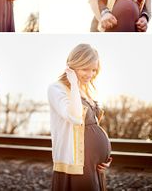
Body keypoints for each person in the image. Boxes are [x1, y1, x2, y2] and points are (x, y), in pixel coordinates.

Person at [48, 43, 112, 191]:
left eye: (93, 70)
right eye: (85, 69)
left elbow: (94, 127)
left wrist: (104, 158)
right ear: (71, 66)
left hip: (94, 166)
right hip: (76, 166)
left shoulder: (85, 90)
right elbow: (75, 117)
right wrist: (74, 84)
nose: (90, 75)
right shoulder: (56, 89)